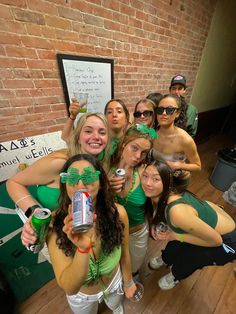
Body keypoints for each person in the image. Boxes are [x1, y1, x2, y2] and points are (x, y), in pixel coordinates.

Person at [46, 154, 136, 313]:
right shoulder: (56, 227)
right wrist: (82, 249)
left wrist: (128, 281)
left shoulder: (118, 213)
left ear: (101, 183)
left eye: (88, 176)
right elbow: (70, 287)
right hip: (83, 297)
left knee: (117, 306)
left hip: (114, 283)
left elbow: (125, 251)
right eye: (72, 178)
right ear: (65, 185)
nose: (80, 185)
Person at [141, 158, 236, 290]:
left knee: (191, 257)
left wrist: (175, 236)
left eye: (156, 179)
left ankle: (175, 275)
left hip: (225, 241)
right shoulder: (164, 194)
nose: (147, 183)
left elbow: (216, 241)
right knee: (175, 242)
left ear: (167, 182)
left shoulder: (177, 212)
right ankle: (166, 258)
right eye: (145, 176)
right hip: (205, 223)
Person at [6, 112, 110, 217]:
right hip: (52, 228)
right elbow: (14, 182)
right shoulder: (60, 163)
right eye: (88, 131)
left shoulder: (102, 161)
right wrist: (36, 213)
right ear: (78, 137)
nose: (96, 137)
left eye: (102, 132)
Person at [108, 124, 157, 275]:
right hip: (111, 232)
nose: (138, 157)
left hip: (136, 234)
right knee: (113, 267)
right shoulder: (105, 168)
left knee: (134, 266)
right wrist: (105, 188)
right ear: (123, 144)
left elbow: (157, 201)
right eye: (134, 148)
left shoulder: (145, 172)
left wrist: (157, 221)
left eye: (144, 153)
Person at [153, 94, 201, 188]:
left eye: (169, 110)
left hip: (177, 181)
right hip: (158, 179)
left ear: (177, 113)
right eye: (160, 110)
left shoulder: (185, 139)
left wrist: (178, 165)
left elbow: (197, 166)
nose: (164, 113)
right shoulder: (153, 133)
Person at [62, 99, 129, 155]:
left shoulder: (130, 140)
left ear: (126, 118)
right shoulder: (101, 141)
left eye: (119, 111)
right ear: (105, 118)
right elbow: (66, 137)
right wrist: (72, 116)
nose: (114, 115)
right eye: (109, 112)